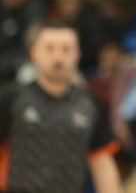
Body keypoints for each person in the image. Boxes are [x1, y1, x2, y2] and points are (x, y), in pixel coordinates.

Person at [0, 21, 121, 193]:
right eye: (49, 49)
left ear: (77, 54)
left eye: (66, 49)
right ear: (34, 53)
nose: (58, 58)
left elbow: (102, 161)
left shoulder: (90, 102)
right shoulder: (13, 98)